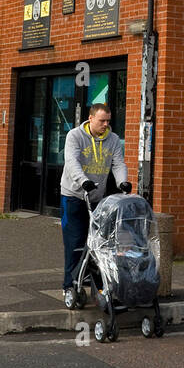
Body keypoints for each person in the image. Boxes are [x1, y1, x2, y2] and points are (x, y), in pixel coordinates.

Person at [60, 103, 130, 303]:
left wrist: (122, 182)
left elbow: (118, 163)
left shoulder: (113, 139)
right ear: (90, 119)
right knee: (75, 243)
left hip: (97, 199)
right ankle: (69, 286)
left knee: (100, 244)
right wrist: (83, 181)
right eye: (102, 121)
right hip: (73, 195)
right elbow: (71, 162)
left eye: (108, 121)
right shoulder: (75, 136)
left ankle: (99, 287)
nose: (106, 125)